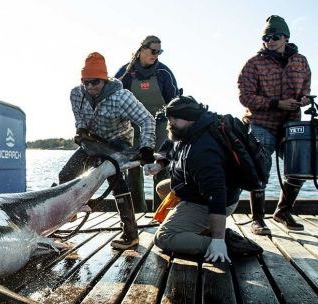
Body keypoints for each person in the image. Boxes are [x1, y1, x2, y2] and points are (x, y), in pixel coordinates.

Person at [58, 52, 156, 250]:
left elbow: (147, 120)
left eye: (95, 82)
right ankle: (69, 212)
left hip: (118, 141)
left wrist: (147, 147)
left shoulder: (121, 97)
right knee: (66, 174)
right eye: (86, 82)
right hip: (92, 140)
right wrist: (81, 129)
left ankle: (130, 234)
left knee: (114, 177)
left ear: (104, 80)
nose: (90, 87)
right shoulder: (76, 94)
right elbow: (79, 118)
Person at [149, 96, 261, 263]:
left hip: (214, 201)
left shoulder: (203, 151)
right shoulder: (191, 129)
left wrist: (217, 240)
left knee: (164, 237)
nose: (170, 122)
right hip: (195, 189)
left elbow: (216, 195)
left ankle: (225, 243)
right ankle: (198, 227)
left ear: (190, 118)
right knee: (162, 188)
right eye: (169, 117)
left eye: (175, 118)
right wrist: (159, 164)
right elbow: (172, 146)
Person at [238, 15, 312, 235]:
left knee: (300, 167)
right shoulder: (253, 64)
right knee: (260, 169)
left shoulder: (301, 61)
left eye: (275, 36)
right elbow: (245, 97)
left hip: (292, 124)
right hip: (261, 123)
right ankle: (258, 219)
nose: (270, 40)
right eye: (266, 36)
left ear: (286, 37)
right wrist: (277, 103)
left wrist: (305, 98)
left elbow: (306, 87)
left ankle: (283, 211)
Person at [116, 35, 179, 212]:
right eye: (153, 50)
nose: (156, 54)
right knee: (134, 168)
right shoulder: (125, 73)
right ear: (142, 49)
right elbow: (114, 99)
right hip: (133, 125)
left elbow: (174, 102)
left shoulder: (164, 73)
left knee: (161, 165)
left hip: (160, 124)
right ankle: (138, 211)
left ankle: (162, 212)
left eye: (159, 51)